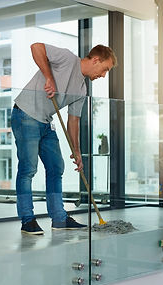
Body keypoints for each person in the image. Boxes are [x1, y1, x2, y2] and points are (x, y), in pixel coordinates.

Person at [11, 43, 117, 235]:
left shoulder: (82, 88)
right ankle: (27, 220)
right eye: (105, 69)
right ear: (95, 60)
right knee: (28, 168)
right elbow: (36, 47)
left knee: (56, 167)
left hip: (45, 121)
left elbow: (73, 121)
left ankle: (59, 218)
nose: (103, 75)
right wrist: (49, 78)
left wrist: (76, 151)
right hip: (25, 114)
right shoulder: (68, 58)